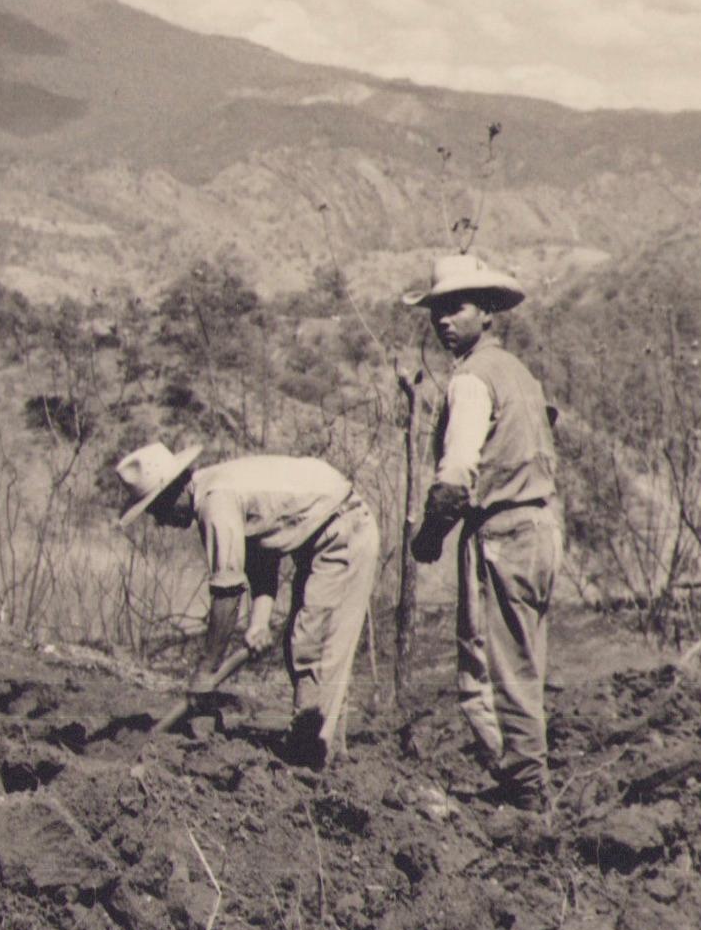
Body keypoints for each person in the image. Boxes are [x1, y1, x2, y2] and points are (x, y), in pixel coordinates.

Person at [405, 253, 562, 810]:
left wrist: (429, 537)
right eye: (438, 311)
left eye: (458, 308)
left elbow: (456, 474)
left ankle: (526, 792)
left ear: (488, 313)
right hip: (542, 523)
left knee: (499, 667)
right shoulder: (518, 373)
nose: (445, 320)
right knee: (525, 657)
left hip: (503, 528)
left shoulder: (471, 380)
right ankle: (521, 777)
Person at [117, 442, 380, 769]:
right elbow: (261, 558)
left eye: (156, 510)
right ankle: (327, 752)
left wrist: (206, 668)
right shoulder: (215, 487)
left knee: (313, 644)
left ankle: (311, 759)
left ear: (172, 494)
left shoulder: (216, 501)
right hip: (328, 534)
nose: (160, 521)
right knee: (307, 644)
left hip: (344, 530)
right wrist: (259, 621)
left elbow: (227, 592)